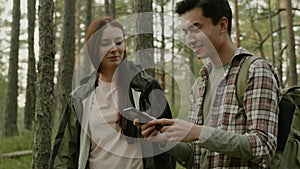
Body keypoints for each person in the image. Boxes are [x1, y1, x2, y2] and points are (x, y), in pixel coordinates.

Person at [139, 0, 281, 168]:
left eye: (196, 29)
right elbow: (194, 156)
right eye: (186, 32)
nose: (189, 40)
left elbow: (264, 146)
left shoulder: (254, 70)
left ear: (222, 25)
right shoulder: (200, 83)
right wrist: (165, 141)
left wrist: (198, 132)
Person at [49, 16, 176, 169]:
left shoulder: (145, 88)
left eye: (118, 42)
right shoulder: (80, 98)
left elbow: (167, 144)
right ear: (93, 47)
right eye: (105, 43)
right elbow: (65, 155)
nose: (114, 49)